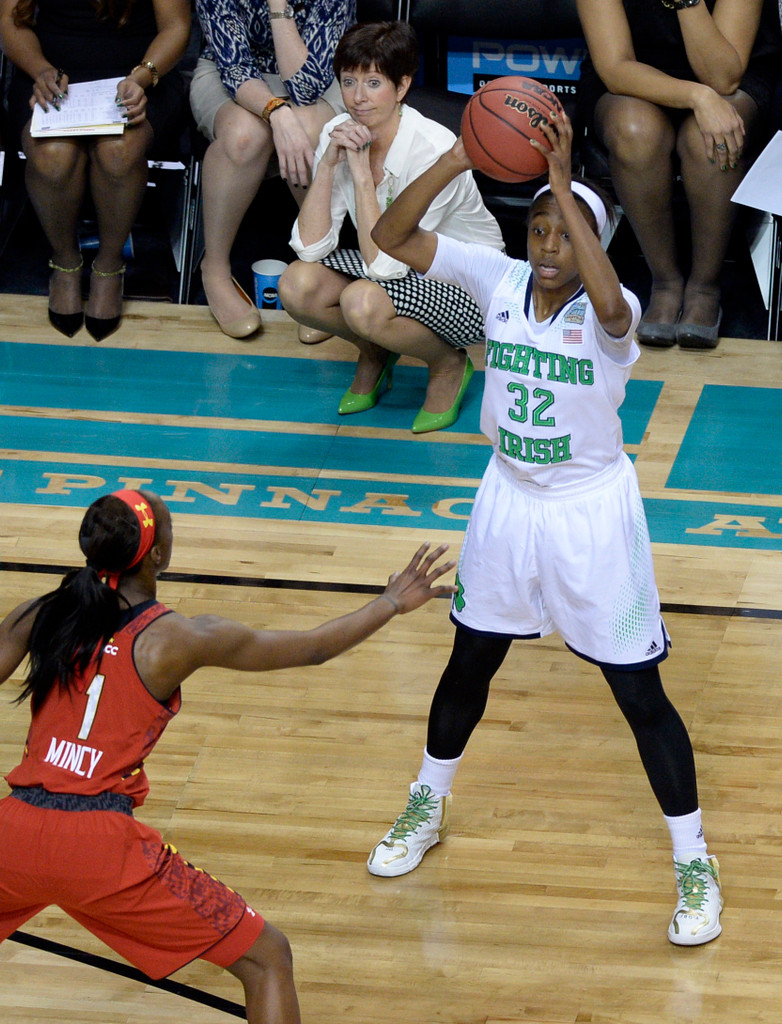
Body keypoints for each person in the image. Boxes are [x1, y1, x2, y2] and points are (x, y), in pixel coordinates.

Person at [365, 108, 723, 947]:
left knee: (640, 694)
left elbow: (615, 311)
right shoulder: (494, 279)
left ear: (592, 240)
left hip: (591, 513)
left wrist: (563, 186)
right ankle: (427, 802)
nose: (548, 243)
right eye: (538, 229)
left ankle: (694, 861)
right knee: (468, 664)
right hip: (508, 501)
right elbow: (390, 234)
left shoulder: (614, 304)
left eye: (565, 231)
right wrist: (460, 154)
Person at [0, 488, 455, 1020]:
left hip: (15, 830)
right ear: (158, 555)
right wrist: (389, 602)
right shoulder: (179, 638)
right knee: (268, 959)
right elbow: (312, 649)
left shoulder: (40, 613)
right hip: (101, 845)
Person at [278, 21, 505, 434]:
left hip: (469, 283)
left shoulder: (433, 149)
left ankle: (447, 363)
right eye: (348, 81)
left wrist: (362, 175)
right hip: (397, 266)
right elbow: (310, 248)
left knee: (363, 302)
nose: (358, 98)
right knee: (296, 284)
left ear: (402, 87)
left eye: (373, 83)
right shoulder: (338, 130)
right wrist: (328, 164)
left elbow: (386, 265)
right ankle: (376, 350)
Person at [575, 0, 781, 349]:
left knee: (706, 139)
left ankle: (704, 287)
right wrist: (696, 97)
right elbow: (614, 67)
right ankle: (665, 282)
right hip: (634, 81)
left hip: (729, 81)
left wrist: (686, 1)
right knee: (635, 131)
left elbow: (722, 76)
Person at [0, 0, 191, 341]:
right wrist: (41, 70)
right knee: (52, 157)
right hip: (50, 76)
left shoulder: (143, 74)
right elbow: (11, 22)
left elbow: (176, 27)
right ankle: (65, 261)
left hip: (140, 76)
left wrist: (142, 76)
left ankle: (108, 264)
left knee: (118, 152)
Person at [190, 0, 356, 339]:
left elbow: (306, 86)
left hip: (319, 73)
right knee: (244, 137)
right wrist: (276, 113)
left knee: (311, 133)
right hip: (230, 75)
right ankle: (216, 269)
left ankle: (319, 265)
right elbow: (235, 67)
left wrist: (278, 5)